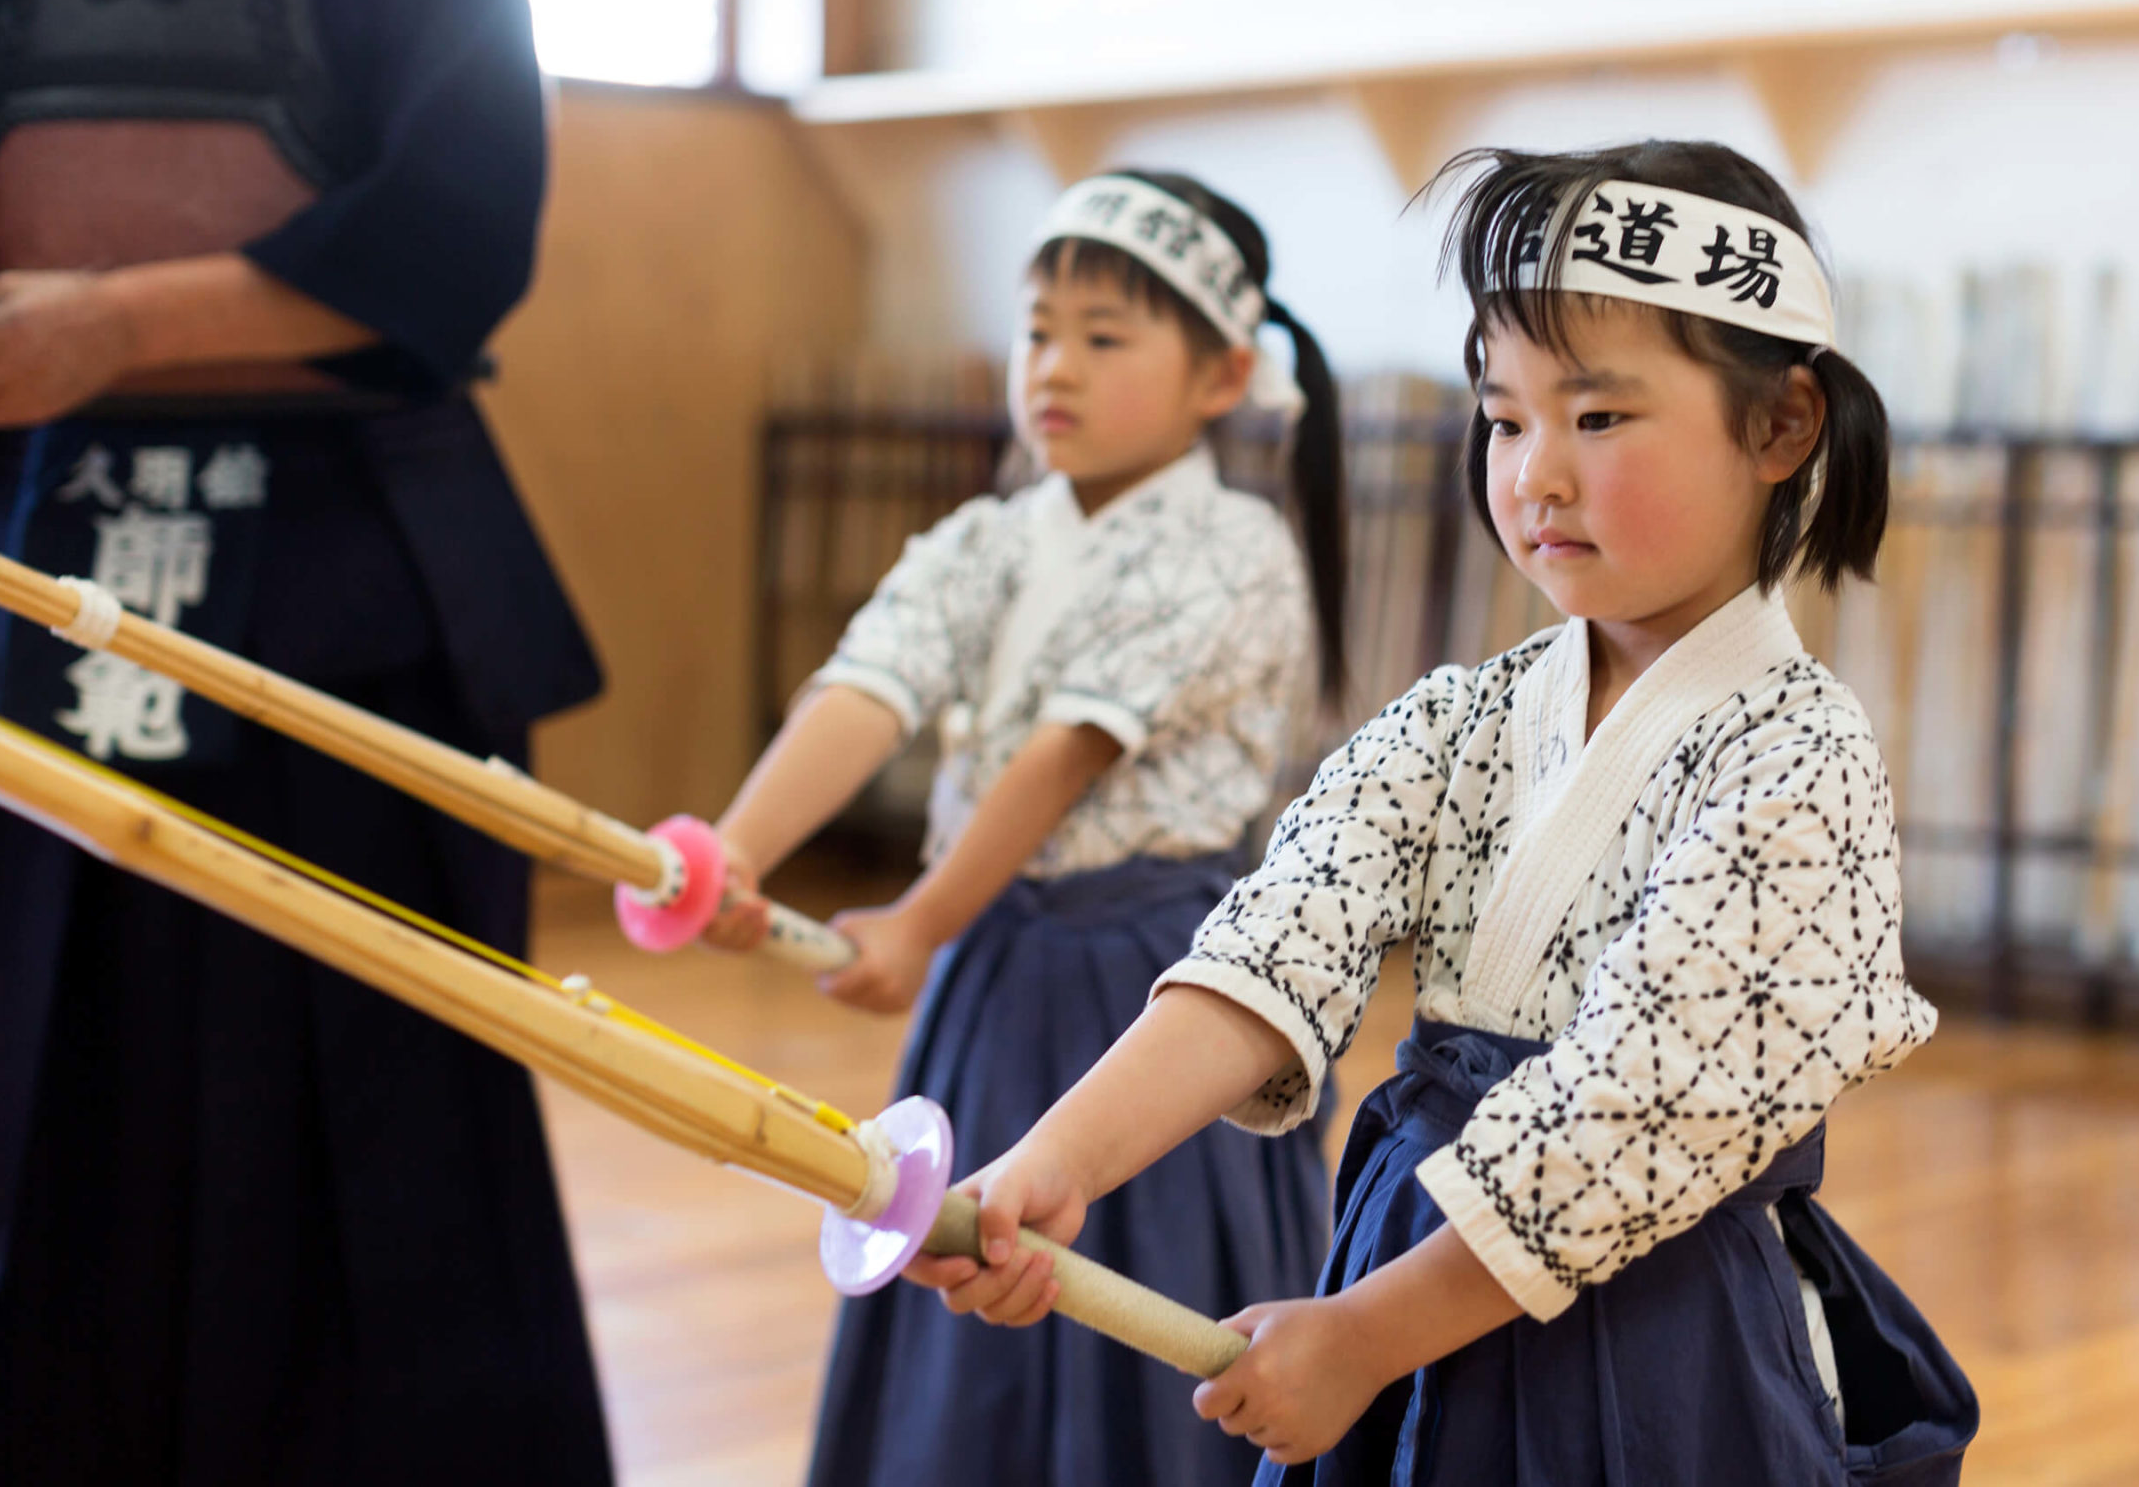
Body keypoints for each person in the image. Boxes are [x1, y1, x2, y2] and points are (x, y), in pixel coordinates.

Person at [922, 141, 1981, 1484]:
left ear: (1780, 428)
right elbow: (1277, 946)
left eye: (1597, 418)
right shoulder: (1464, 719)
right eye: (1505, 414)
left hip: (1648, 1341)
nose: (1535, 473)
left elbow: (1628, 1113)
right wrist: (1052, 1166)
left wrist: (1365, 1338)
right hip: (1415, 1263)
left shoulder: (1796, 760)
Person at [0, 0, 610, 1482]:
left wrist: (122, 323)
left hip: (347, 552)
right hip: (25, 525)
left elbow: (465, 216)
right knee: (11, 1071)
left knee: (377, 1100)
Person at [708, 170, 1346, 1487]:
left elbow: (1068, 755)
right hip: (996, 972)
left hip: (1163, 990)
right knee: (976, 1272)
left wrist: (920, 916)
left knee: (1138, 1295)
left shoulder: (1231, 546)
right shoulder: (992, 535)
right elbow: (866, 687)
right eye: (1038, 330)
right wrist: (730, 854)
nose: (1053, 365)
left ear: (1222, 376)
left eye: (1104, 338)